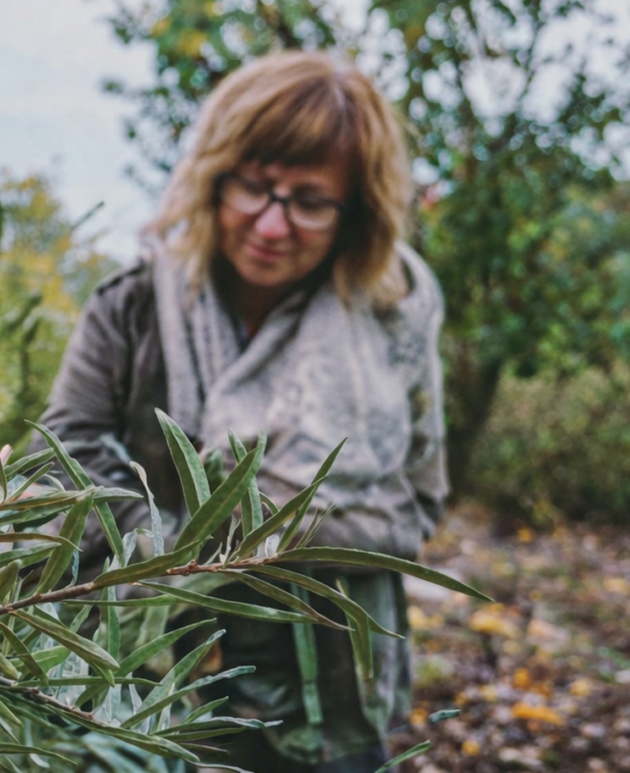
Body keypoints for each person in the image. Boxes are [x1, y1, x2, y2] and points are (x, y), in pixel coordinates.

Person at [35, 50, 448, 772]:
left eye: (310, 200)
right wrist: (177, 547)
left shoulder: (396, 316)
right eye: (253, 187)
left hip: (329, 691)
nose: (271, 223)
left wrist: (299, 537)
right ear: (213, 176)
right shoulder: (132, 304)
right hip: (143, 678)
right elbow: (64, 447)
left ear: (356, 211)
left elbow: (419, 490)